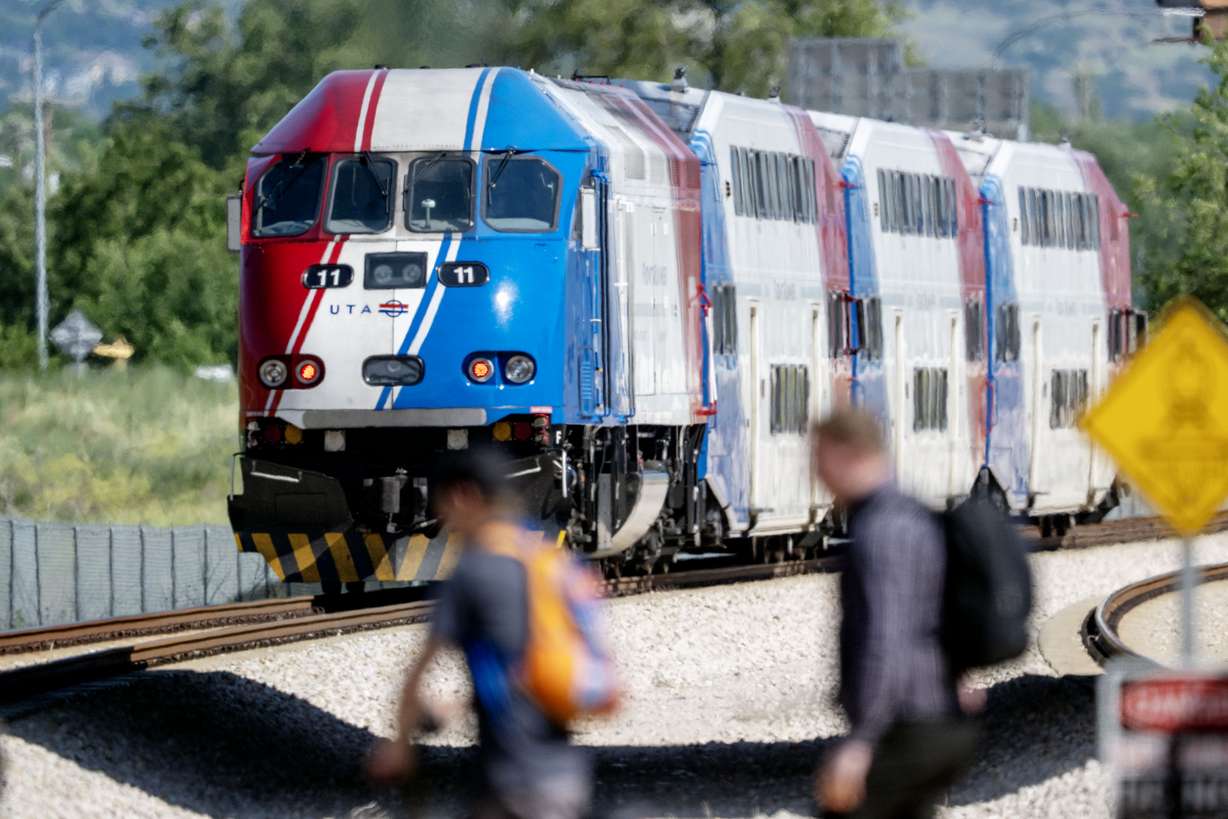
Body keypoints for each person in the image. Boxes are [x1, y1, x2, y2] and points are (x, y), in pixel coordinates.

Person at [367, 450, 594, 819]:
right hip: (565, 773)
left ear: (463, 496)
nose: (443, 516)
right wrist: (461, 707)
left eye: (442, 503)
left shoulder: (473, 573)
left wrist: (402, 743)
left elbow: (421, 669)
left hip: (510, 778)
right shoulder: (553, 564)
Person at [811, 407, 979, 819]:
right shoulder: (914, 515)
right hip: (939, 714)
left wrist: (863, 740)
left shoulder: (879, 532)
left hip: (910, 722)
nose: (815, 474)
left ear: (844, 455)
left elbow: (884, 638)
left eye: (819, 459)